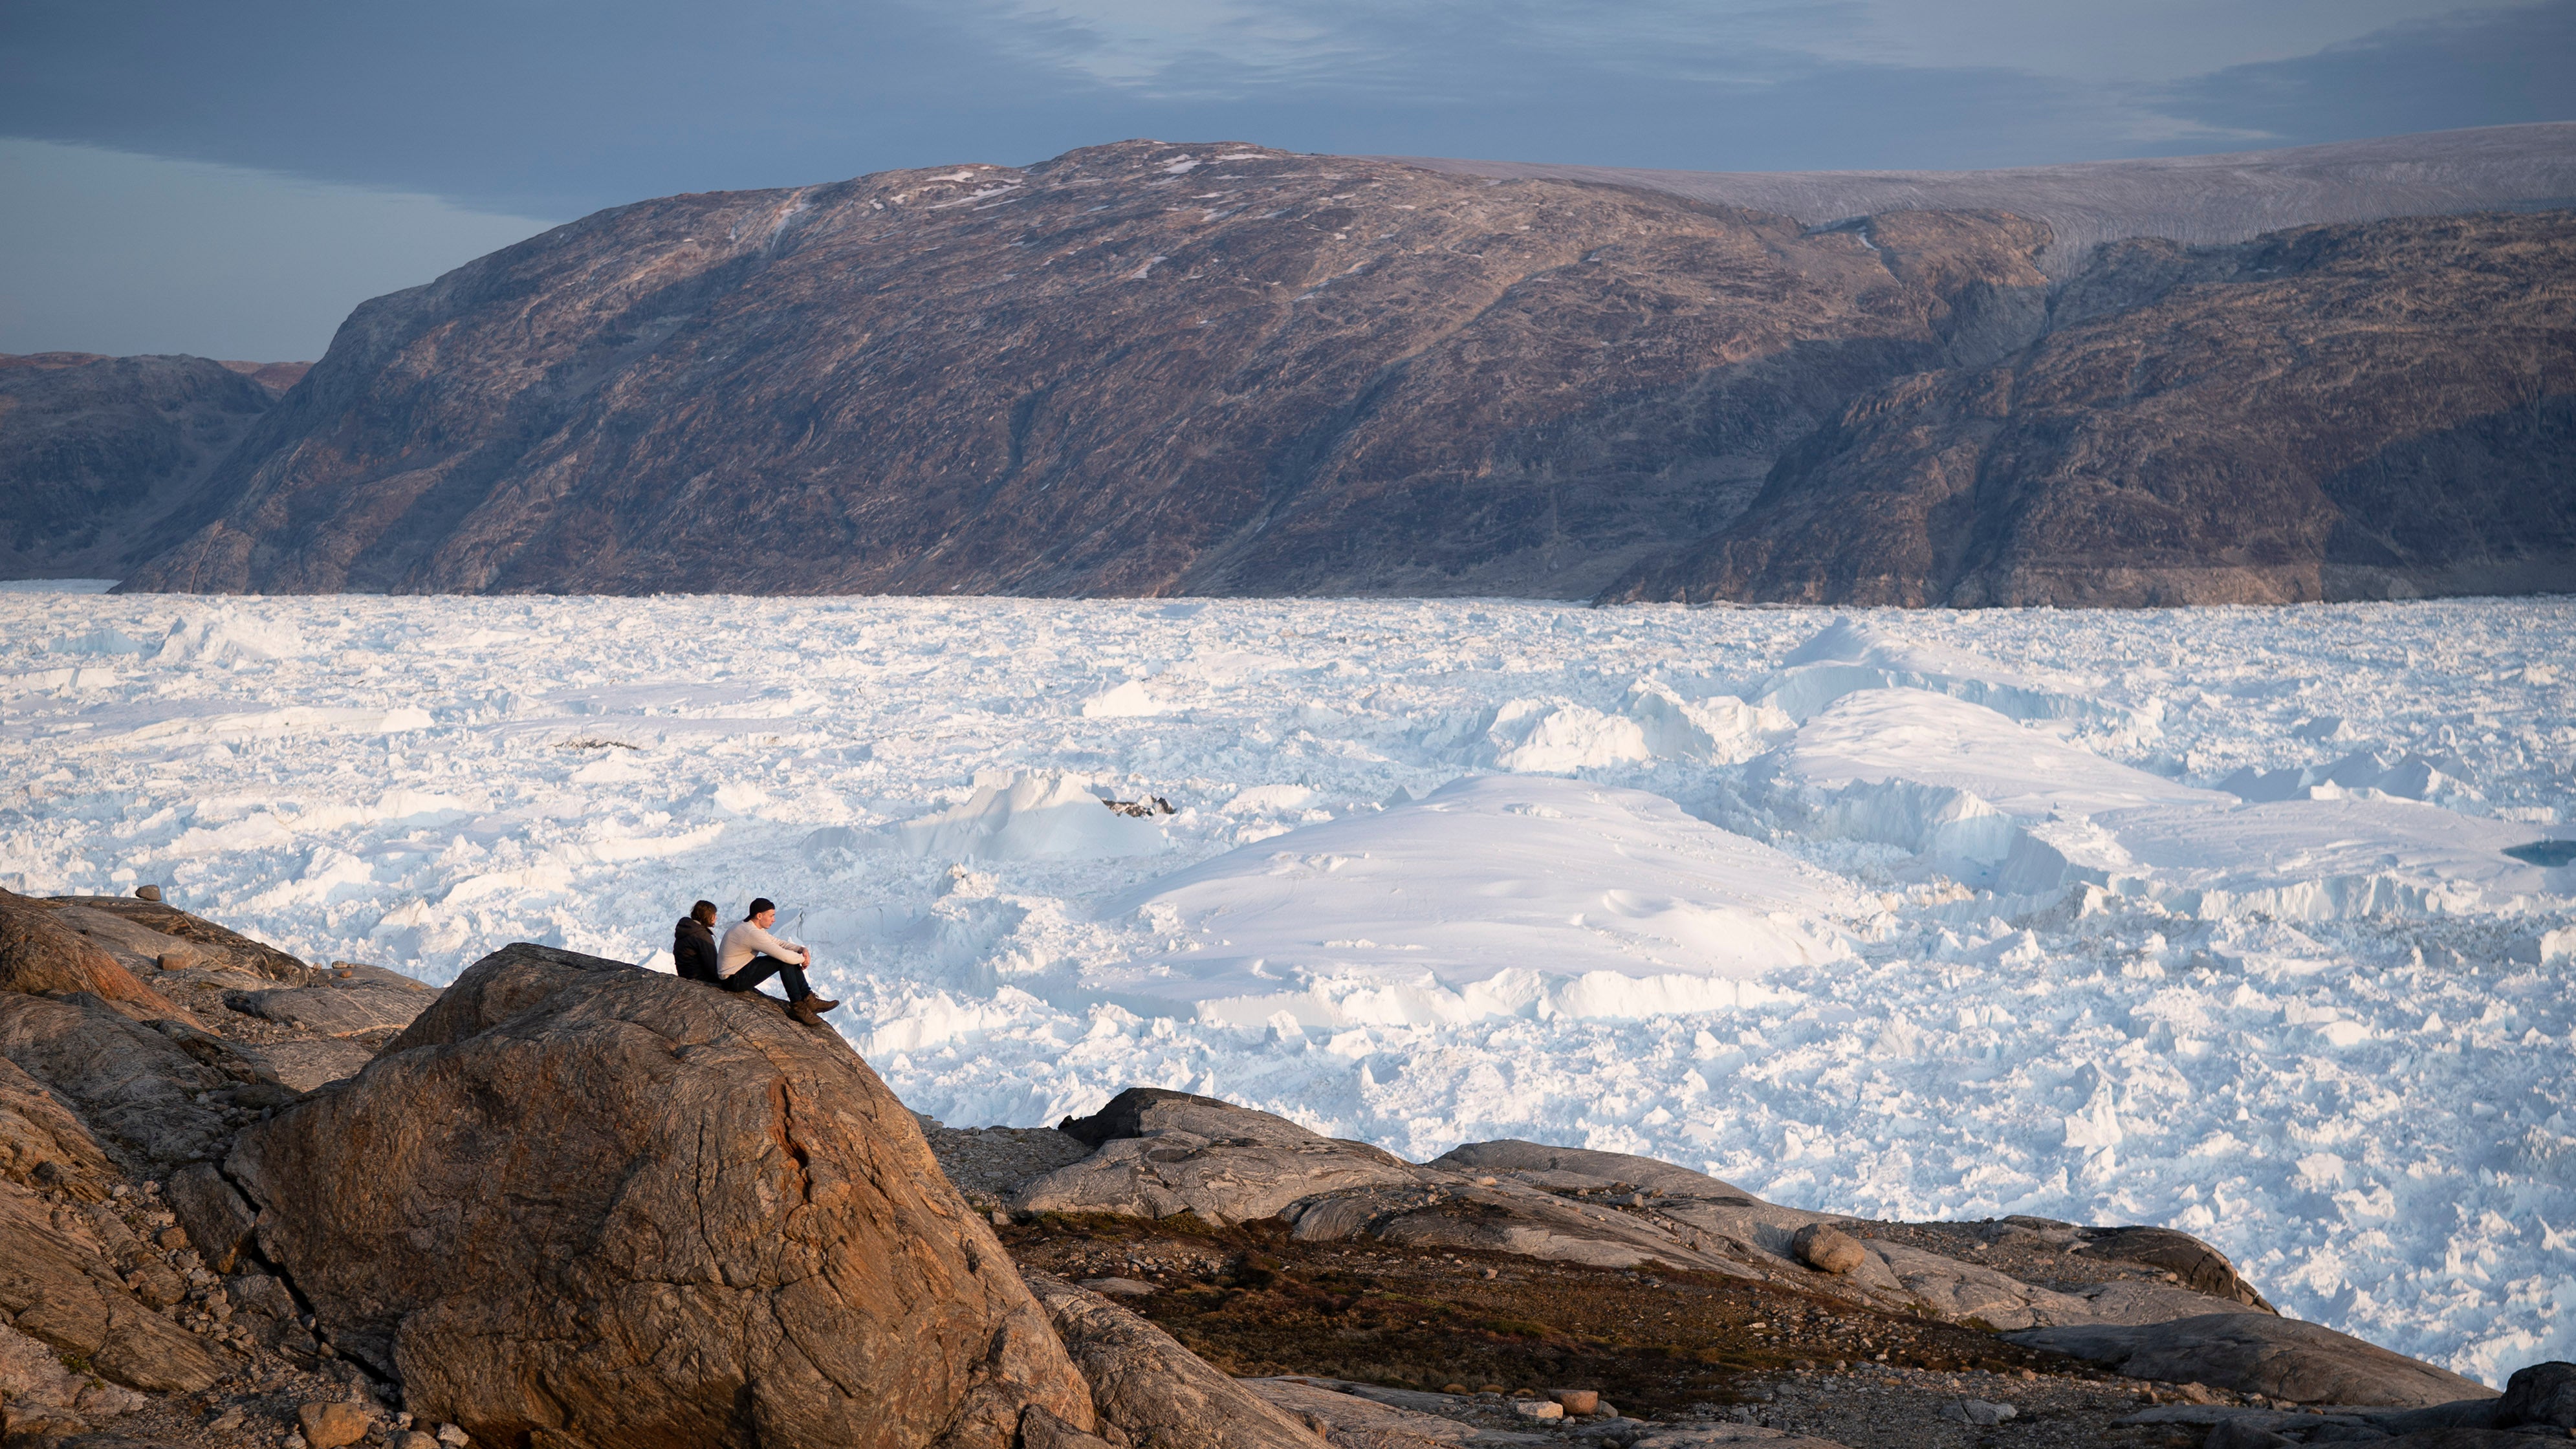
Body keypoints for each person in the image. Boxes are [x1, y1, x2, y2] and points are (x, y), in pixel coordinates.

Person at [718, 897, 840, 1027]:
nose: (774, 920)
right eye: (771, 916)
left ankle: (808, 1000)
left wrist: (801, 949)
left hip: (739, 972)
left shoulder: (750, 926)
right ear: (759, 916)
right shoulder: (751, 932)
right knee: (783, 961)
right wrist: (803, 958)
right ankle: (799, 1007)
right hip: (733, 980)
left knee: (785, 959)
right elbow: (784, 956)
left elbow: (776, 943)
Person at [672, 900, 723, 984]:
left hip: (685, 977)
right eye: (714, 915)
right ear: (707, 916)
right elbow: (712, 967)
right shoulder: (701, 935)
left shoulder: (686, 930)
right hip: (701, 980)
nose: (716, 917)